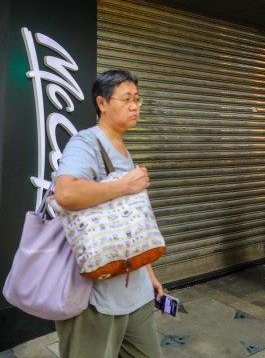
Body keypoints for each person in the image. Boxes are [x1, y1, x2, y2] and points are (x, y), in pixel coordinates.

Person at [53, 70, 164, 358]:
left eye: (137, 99)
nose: (134, 106)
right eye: (126, 99)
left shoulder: (123, 148)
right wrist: (125, 185)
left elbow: (130, 223)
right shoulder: (85, 143)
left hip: (135, 293)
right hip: (96, 299)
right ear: (102, 103)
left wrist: (149, 273)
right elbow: (66, 194)